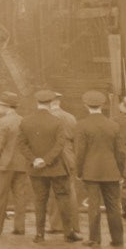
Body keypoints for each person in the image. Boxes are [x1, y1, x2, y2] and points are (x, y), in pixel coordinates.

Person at [17, 89, 82, 243]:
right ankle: (68, 233)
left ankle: (39, 235)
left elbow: (21, 144)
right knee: (63, 198)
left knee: (40, 200)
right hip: (56, 167)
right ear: (51, 102)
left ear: (37, 102)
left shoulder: (26, 121)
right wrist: (46, 160)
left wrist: (35, 160)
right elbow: (60, 145)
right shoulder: (57, 121)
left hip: (36, 168)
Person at [75, 89, 126, 246]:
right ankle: (118, 239)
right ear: (103, 105)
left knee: (93, 205)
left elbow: (80, 152)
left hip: (91, 172)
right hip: (111, 171)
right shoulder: (114, 125)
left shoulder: (82, 125)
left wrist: (79, 172)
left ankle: (94, 238)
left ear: (86, 105)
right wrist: (120, 172)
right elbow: (121, 152)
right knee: (113, 206)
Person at [0, 91, 30, 235]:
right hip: (21, 164)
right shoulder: (24, 121)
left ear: (7, 106)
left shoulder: (3, 122)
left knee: (0, 197)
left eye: (0, 106)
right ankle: (19, 228)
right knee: (20, 197)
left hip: (3, 165)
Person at [46, 91, 79, 233]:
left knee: (54, 191)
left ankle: (56, 225)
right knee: (70, 190)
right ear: (58, 102)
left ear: (49, 103)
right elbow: (76, 139)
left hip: (54, 154)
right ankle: (74, 225)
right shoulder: (71, 117)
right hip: (69, 154)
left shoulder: (49, 117)